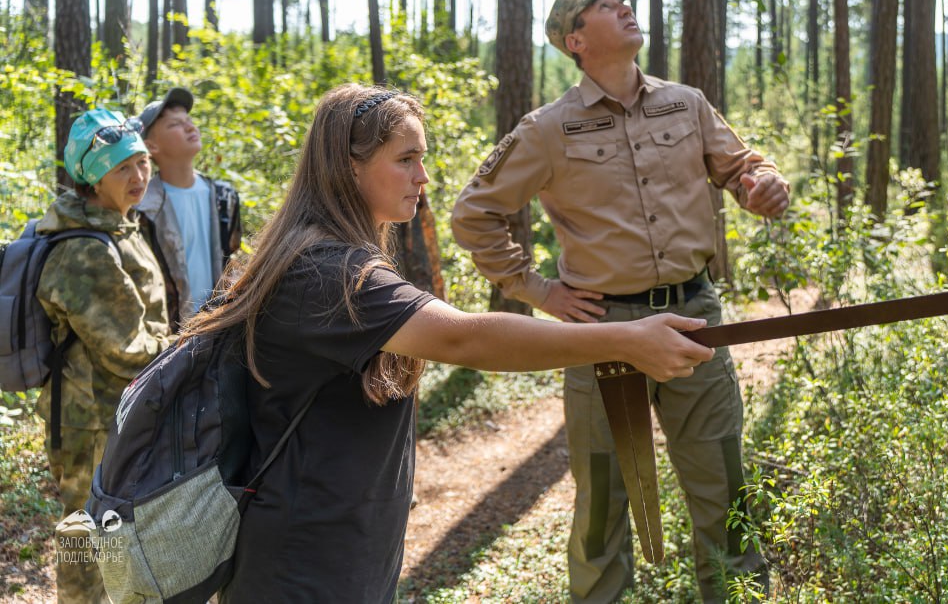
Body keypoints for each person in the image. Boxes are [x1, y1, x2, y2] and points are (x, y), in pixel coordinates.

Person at [178, 83, 712, 603]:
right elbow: (463, 339)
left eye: (422, 158)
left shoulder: (332, 257)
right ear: (349, 167)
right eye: (406, 159)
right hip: (305, 560)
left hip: (336, 547)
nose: (423, 177)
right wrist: (623, 340)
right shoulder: (328, 274)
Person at [450, 0, 791, 603]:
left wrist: (762, 184)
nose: (625, 8)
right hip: (602, 334)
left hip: (694, 317)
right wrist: (538, 290)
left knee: (723, 486)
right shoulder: (547, 129)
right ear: (574, 40)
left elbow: (743, 166)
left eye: (624, 0)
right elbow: (473, 214)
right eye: (606, 5)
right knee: (605, 499)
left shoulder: (685, 103)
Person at [36, 108, 171, 603]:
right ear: (94, 179)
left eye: (141, 163)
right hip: (88, 419)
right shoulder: (85, 249)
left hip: (114, 411)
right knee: (85, 531)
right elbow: (126, 349)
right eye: (122, 168)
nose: (138, 177)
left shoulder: (118, 225)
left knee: (111, 531)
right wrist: (191, 345)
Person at [133, 87, 241, 330]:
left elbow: (231, 260)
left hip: (218, 328)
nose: (190, 127)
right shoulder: (141, 208)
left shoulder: (224, 198)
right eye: (174, 125)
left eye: (189, 121)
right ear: (152, 147)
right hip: (167, 336)